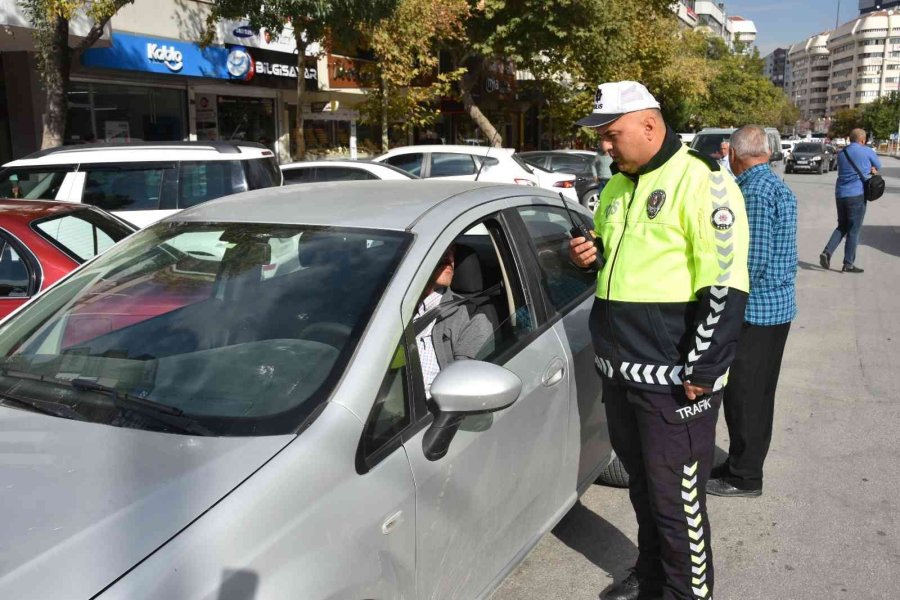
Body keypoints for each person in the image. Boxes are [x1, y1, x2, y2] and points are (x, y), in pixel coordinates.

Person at [569, 81, 749, 600]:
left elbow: (724, 283)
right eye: (601, 136)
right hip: (621, 372)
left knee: (678, 503)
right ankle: (652, 579)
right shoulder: (616, 187)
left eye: (611, 134)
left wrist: (703, 369)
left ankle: (685, 593)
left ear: (650, 125)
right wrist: (593, 255)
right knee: (645, 492)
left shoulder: (704, 182)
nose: (604, 146)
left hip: (675, 381)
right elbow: (621, 260)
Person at [706, 126, 797, 498]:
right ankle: (740, 463)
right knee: (755, 395)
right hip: (774, 308)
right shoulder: (773, 184)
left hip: (758, 312)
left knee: (746, 396)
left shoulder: (755, 192)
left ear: (735, 155)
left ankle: (745, 477)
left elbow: (752, 261)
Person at [414, 244, 496, 397]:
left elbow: (464, 392)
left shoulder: (473, 318)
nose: (449, 258)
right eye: (439, 249)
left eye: (451, 252)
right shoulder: (390, 308)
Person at [819, 127, 880, 273]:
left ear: (849, 138)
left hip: (840, 194)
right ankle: (848, 263)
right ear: (863, 140)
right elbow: (877, 166)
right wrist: (871, 169)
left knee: (842, 225)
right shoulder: (866, 151)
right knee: (854, 230)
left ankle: (827, 252)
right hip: (857, 195)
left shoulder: (842, 153)